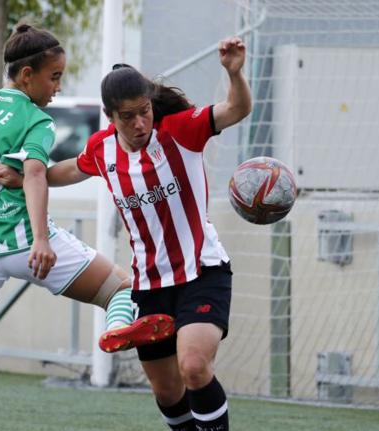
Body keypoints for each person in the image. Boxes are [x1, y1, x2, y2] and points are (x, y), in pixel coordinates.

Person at [0, 23, 174, 431]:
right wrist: (42, 240)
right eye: (55, 76)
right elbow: (33, 174)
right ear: (27, 75)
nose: (58, 87)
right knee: (120, 287)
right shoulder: (37, 119)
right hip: (28, 244)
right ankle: (117, 326)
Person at [42, 37, 252, 430]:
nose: (140, 124)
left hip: (202, 272)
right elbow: (64, 171)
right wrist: (23, 176)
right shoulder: (102, 150)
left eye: (145, 112)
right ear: (109, 117)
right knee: (168, 392)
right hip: (151, 285)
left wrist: (234, 72)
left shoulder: (180, 130)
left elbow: (238, 108)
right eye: (127, 117)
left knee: (193, 366)